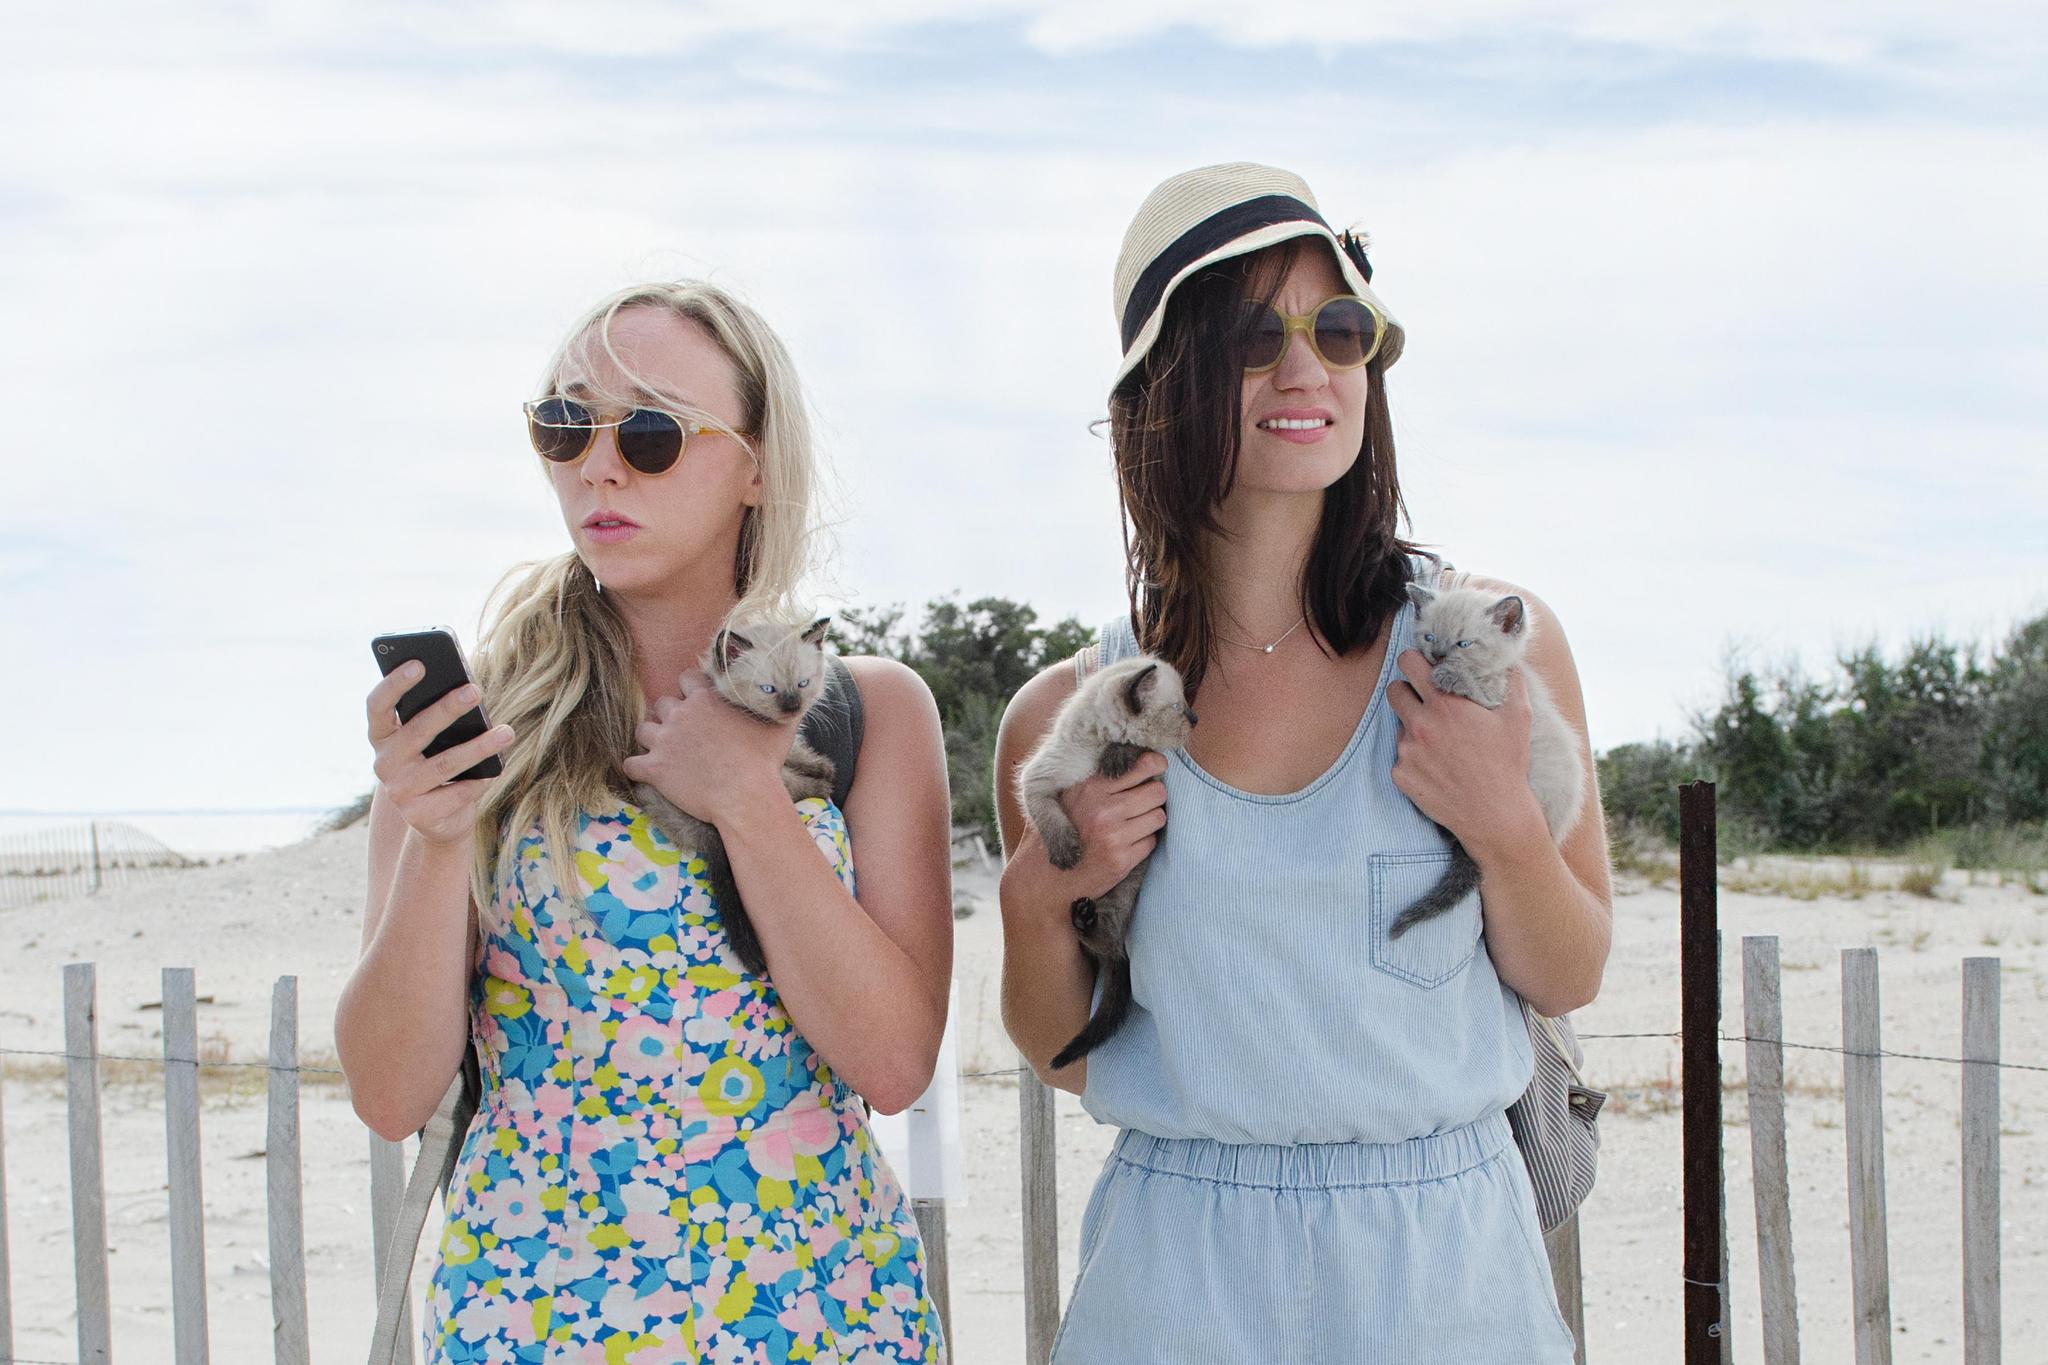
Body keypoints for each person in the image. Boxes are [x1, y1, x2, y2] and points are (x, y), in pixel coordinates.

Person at [994, 164, 1613, 1363]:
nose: (1304, 370)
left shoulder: (1483, 653)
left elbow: (1571, 967)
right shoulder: (1071, 714)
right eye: (1248, 337)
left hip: (1447, 1274)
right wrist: (1033, 904)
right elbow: (1066, 1060)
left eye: (1338, 331)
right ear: (1158, 388)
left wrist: (1501, 824)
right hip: (1175, 1275)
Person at [337, 282, 952, 1362]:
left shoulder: (869, 711)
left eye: (654, 432)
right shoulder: (478, 724)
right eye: (565, 425)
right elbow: (390, 1096)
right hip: (532, 1322)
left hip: (814, 1318)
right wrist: (438, 838)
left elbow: (894, 1062)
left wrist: (744, 800)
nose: (599, 466)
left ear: (755, 466)